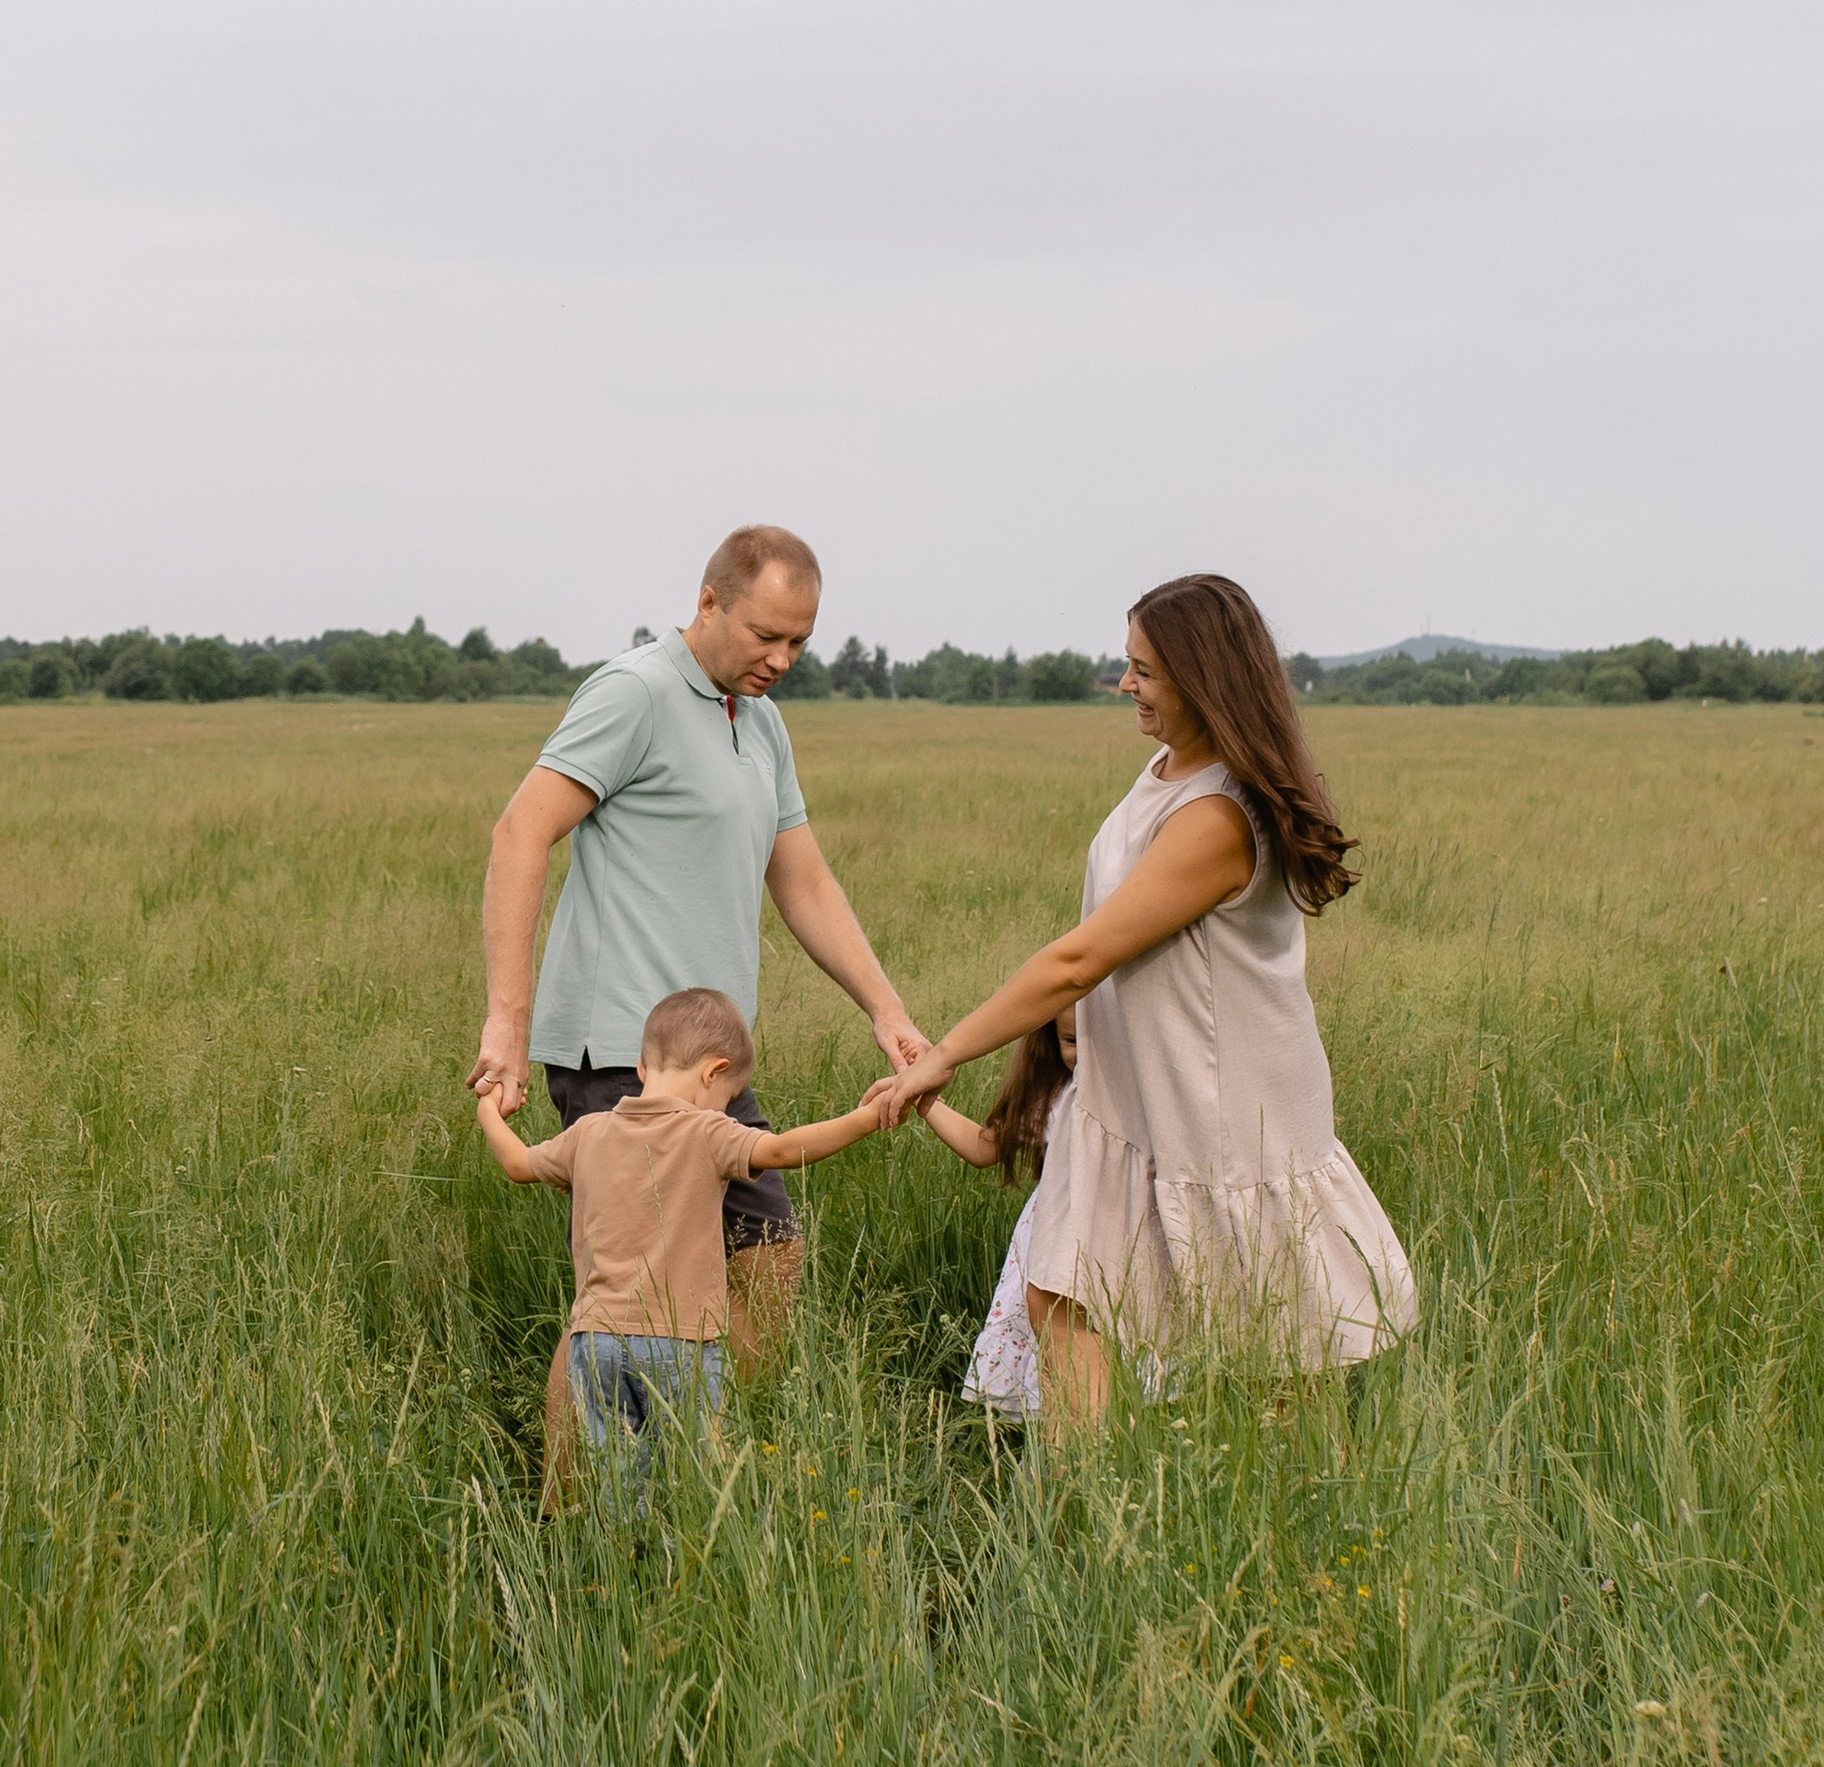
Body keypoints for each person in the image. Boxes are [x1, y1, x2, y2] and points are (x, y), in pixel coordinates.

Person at [875, 573, 1416, 1423]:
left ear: (1206, 680)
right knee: (1062, 1295)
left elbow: (1081, 959)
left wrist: (941, 1057)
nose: (1126, 684)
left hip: (1225, 1112)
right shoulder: (1167, 770)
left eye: (1146, 671)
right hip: (1131, 1101)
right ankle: (1091, 1519)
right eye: (1128, 665)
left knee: (1275, 1362)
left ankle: (1303, 1527)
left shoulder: (1219, 817)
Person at [464, 524, 927, 1455]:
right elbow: (521, 833)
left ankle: (682, 1465)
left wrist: (889, 1013)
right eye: (765, 634)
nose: (782, 659)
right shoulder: (634, 692)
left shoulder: (758, 719)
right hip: (624, 1054)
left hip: (703, 1062)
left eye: (799, 640)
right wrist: (507, 1027)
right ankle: (594, 1497)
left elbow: (805, 879)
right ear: (708, 601)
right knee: (657, 1285)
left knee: (723, 1272)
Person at [476, 987, 888, 1505]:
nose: (725, 1107)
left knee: (615, 1485)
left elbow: (518, 1166)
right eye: (729, 1094)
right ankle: (681, 1574)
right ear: (714, 1073)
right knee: (694, 1485)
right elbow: (784, 1150)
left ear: (641, 1067)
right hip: (680, 1345)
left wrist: (489, 1111)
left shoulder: (588, 1133)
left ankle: (619, 1567)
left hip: (595, 1342)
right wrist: (872, 1117)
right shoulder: (709, 1131)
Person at [914, 1008, 1078, 1418]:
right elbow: (985, 1148)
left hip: (1123, 1230)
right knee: (1059, 1355)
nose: (1085, 1054)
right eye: (1072, 1042)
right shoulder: (1055, 1094)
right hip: (1056, 1234)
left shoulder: (1139, 1088)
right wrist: (924, 1100)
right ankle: (1060, 1459)